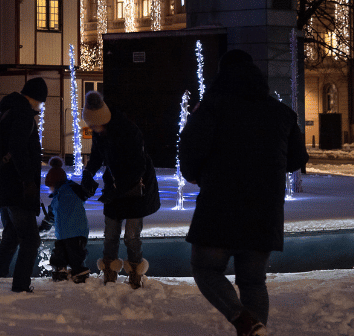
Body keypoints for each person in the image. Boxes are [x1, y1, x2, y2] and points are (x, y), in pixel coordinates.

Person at [179, 49, 308, 336]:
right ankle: (253, 328)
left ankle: (243, 320)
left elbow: (189, 151)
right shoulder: (281, 113)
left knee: (205, 269)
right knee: (253, 282)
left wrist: (199, 175)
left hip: (218, 207)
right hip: (264, 210)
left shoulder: (210, 108)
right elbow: (297, 160)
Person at [81, 90, 160, 288]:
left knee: (132, 236)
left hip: (135, 187)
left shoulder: (128, 131)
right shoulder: (100, 133)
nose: (92, 129)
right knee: (111, 233)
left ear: (103, 120)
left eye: (93, 125)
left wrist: (116, 189)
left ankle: (134, 270)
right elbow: (97, 155)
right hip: (115, 185)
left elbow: (138, 167)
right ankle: (109, 269)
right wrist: (88, 173)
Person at [0, 77, 47, 293]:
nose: (41, 107)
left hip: (2, 184)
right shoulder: (23, 114)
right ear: (37, 98)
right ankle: (21, 285)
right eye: (42, 102)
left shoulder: (8, 110)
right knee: (31, 239)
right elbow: (17, 148)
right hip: (17, 187)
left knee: (12, 233)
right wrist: (27, 180)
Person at [38, 156, 90, 283]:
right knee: (59, 254)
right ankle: (61, 270)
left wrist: (44, 227)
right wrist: (44, 226)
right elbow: (52, 214)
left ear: (55, 183)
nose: (49, 189)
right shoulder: (61, 195)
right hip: (64, 234)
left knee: (74, 255)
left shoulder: (68, 192)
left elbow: (51, 215)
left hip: (75, 233)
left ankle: (78, 272)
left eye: (50, 186)